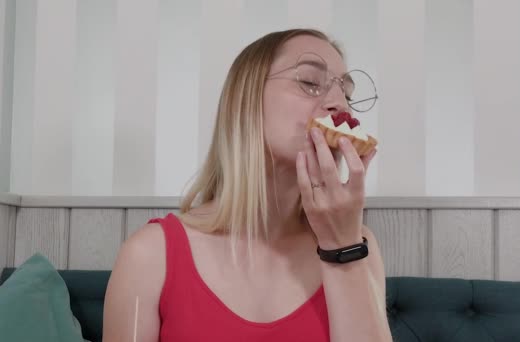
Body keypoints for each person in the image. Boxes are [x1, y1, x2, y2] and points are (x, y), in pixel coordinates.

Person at [103, 28, 392, 342]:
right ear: (246, 99)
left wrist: (342, 248)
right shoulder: (149, 255)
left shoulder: (359, 245)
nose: (340, 105)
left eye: (347, 94)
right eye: (309, 82)